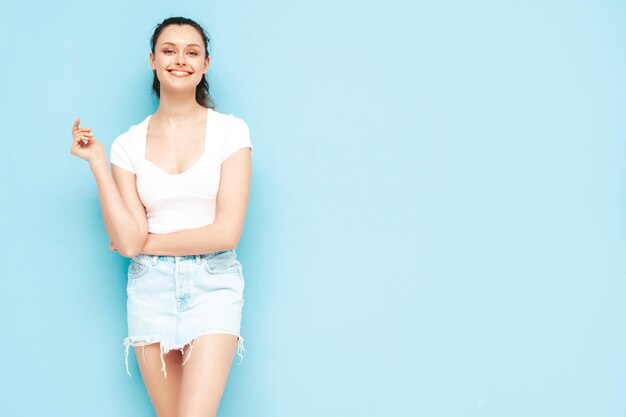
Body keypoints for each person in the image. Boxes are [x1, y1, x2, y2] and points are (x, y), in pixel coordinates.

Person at [69, 16, 252, 417]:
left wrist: (147, 243)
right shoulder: (126, 145)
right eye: (169, 50)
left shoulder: (231, 132)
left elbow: (227, 232)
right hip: (150, 287)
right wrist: (99, 162)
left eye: (192, 52)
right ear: (153, 60)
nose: (180, 60)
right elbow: (127, 236)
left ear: (206, 64)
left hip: (213, 284)